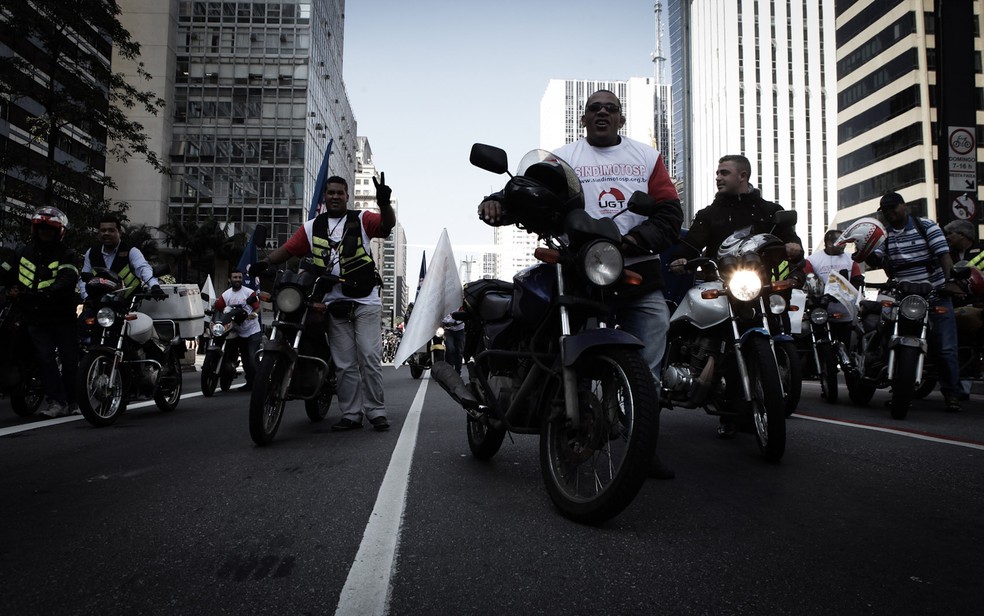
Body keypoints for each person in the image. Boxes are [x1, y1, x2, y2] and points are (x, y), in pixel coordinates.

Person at [478, 89, 683, 479]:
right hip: (578, 267)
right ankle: (568, 420)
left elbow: (670, 210)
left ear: (621, 119)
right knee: (570, 352)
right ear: (583, 119)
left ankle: (643, 443)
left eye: (611, 108)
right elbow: (527, 188)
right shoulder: (563, 157)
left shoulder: (646, 155)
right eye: (594, 109)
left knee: (649, 368)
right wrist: (497, 203)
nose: (603, 113)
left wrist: (638, 240)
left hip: (637, 269)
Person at [669, 154, 804, 438]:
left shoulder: (769, 211)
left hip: (760, 287)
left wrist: (794, 247)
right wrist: (681, 259)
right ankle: (711, 389)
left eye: (725, 173)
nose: (718, 177)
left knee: (773, 331)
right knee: (717, 339)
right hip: (723, 286)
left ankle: (763, 396)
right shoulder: (709, 215)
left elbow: (791, 238)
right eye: (717, 173)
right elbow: (692, 245)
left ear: (742, 176)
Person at [252, 174, 395, 431]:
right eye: (331, 193)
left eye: (340, 193)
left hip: (365, 299)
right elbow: (288, 249)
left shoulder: (361, 219)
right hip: (334, 302)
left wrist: (384, 203)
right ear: (325, 196)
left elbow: (386, 226)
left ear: (347, 196)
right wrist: (265, 262)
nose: (335, 197)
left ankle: (376, 411)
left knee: (369, 357)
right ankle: (351, 414)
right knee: (344, 362)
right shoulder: (311, 227)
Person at [859, 192, 963, 412]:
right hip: (901, 296)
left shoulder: (926, 227)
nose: (890, 212)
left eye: (893, 207)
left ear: (904, 206)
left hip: (934, 293)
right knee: (887, 332)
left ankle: (952, 394)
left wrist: (948, 281)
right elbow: (876, 259)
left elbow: (944, 255)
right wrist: (864, 252)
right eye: (886, 210)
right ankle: (888, 378)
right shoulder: (884, 235)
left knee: (945, 348)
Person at [5, 208, 81, 418]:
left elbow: (68, 277)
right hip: (33, 315)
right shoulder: (22, 251)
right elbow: (5, 270)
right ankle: (56, 402)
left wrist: (49, 291)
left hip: (62, 315)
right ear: (34, 229)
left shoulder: (67, 253)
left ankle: (73, 401)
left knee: (69, 359)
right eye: (41, 228)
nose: (45, 232)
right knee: (44, 358)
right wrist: (9, 287)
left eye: (50, 229)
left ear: (59, 232)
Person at [79, 213, 165, 342]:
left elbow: (143, 268)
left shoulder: (131, 251)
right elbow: (83, 277)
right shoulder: (91, 252)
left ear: (119, 232)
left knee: (140, 338)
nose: (106, 233)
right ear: (98, 233)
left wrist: (154, 286)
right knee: (79, 334)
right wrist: (86, 296)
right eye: (103, 230)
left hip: (127, 306)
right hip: (98, 306)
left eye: (111, 230)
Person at [212, 269, 262, 390]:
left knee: (251, 357)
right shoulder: (226, 295)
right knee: (244, 359)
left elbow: (257, 307)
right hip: (235, 330)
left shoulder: (249, 293)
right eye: (235, 277)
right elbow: (218, 308)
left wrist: (254, 315)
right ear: (230, 279)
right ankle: (246, 381)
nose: (237, 280)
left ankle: (261, 383)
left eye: (239, 277)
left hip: (251, 331)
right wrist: (212, 317)